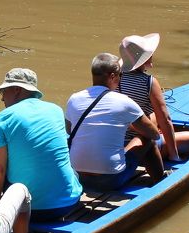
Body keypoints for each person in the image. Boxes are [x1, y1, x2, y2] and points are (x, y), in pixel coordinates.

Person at [0, 68, 83, 221]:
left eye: (3, 92)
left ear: (17, 90)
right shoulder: (56, 110)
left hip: (28, 211)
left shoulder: (4, 117)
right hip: (68, 204)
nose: (2, 99)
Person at [65, 53, 164, 192]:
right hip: (111, 180)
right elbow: (154, 134)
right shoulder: (124, 101)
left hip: (77, 177)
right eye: (120, 75)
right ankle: (160, 183)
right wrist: (130, 125)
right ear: (112, 76)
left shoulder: (74, 98)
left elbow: (69, 131)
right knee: (146, 139)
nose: (120, 79)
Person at [118, 33, 189, 161]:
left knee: (153, 115)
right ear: (144, 59)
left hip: (115, 143)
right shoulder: (149, 82)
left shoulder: (113, 79)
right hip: (140, 146)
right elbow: (165, 119)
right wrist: (174, 155)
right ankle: (169, 153)